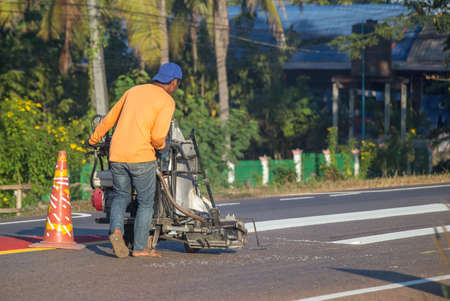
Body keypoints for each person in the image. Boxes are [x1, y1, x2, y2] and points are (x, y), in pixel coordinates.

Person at [88, 62, 182, 258]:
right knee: (145, 202)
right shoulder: (166, 101)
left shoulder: (134, 91)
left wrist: (93, 139)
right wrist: (162, 147)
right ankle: (140, 248)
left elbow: (109, 119)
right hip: (141, 157)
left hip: (117, 155)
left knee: (120, 196)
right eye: (177, 84)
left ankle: (116, 231)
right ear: (173, 83)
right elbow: (157, 137)